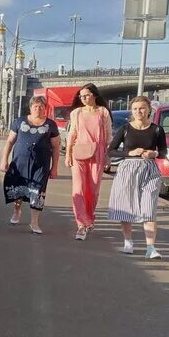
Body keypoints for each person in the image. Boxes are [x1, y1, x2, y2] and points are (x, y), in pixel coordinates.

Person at [108, 95, 167, 259]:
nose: (138, 111)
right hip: (128, 169)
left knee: (149, 208)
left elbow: (163, 151)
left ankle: (151, 248)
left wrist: (153, 153)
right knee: (126, 207)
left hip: (149, 170)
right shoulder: (125, 128)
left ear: (149, 110)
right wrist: (129, 153)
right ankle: (128, 243)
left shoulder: (157, 129)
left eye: (142, 108)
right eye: (135, 109)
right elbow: (111, 151)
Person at [0, 95, 60, 234]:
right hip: (20, 163)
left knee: (38, 191)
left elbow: (56, 147)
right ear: (31, 108)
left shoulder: (51, 125)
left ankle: (34, 222)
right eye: (35, 107)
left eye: (41, 107)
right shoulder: (20, 121)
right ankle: (16, 211)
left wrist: (54, 167)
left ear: (45, 109)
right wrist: (4, 160)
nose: (38, 109)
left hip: (41, 165)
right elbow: (10, 141)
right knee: (18, 188)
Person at [65, 83, 112, 240]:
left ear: (94, 95)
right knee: (78, 188)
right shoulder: (76, 113)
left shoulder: (103, 112)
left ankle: (89, 218)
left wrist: (107, 155)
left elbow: (108, 136)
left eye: (86, 95)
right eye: (81, 96)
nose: (83, 99)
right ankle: (81, 224)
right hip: (79, 153)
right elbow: (72, 134)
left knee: (92, 189)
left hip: (97, 154)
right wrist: (68, 154)